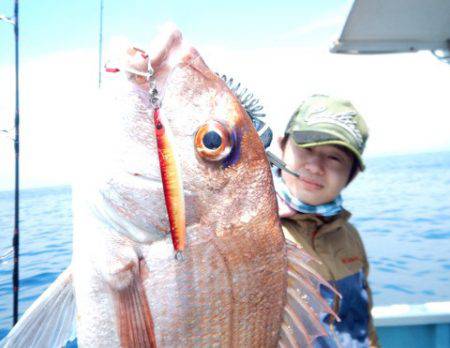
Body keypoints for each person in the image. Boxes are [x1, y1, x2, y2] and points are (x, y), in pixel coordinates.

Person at [272, 95, 379, 347]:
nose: (316, 166)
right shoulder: (249, 230)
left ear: (351, 174)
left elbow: (364, 323)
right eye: (306, 148)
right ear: (281, 146)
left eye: (334, 158)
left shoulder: (348, 234)